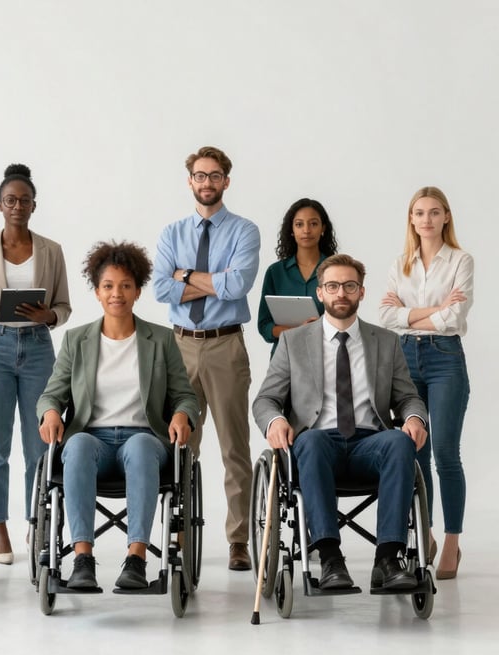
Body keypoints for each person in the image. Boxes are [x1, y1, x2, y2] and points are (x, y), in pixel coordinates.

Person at [253, 254, 428, 591]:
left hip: (370, 444)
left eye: (349, 286)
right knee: (312, 441)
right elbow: (265, 399)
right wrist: (275, 420)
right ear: (320, 293)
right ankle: (331, 558)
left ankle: (389, 558)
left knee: (399, 442)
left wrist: (414, 418)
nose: (341, 294)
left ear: (361, 292)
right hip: (318, 444)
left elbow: (407, 397)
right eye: (333, 286)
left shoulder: (386, 341)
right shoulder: (294, 341)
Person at [37, 241, 199, 589]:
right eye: (108, 286)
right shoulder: (76, 340)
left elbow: (185, 395)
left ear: (138, 291)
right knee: (76, 446)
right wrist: (50, 412)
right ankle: (82, 559)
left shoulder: (161, 339)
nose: (117, 294)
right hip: (91, 439)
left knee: (141, 446)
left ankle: (136, 560)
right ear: (96, 292)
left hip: (143, 440)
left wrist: (183, 415)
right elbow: (53, 393)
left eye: (126, 286)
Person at [153, 146, 260, 570]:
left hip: (224, 345)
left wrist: (184, 277)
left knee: (235, 448)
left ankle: (238, 541)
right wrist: (210, 281)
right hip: (179, 347)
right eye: (200, 175)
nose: (207, 183)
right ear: (190, 181)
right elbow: (160, 289)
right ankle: (178, 534)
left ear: (226, 182)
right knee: (180, 445)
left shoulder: (244, 231)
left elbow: (238, 287)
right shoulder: (171, 233)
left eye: (215, 176)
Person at [0, 163, 71, 564]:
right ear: (0, 205)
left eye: (24, 200)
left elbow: (63, 306)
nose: (17, 206)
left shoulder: (51, 251)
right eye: (11, 200)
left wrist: (48, 317)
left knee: (40, 444)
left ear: (34, 205)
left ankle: (36, 521)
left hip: (39, 347)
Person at [379, 186, 472, 580]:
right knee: (415, 451)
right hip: (404, 359)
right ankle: (426, 533)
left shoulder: (460, 260)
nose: (427, 220)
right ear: (411, 219)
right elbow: (385, 317)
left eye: (435, 212)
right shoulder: (401, 263)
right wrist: (435, 308)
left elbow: (455, 318)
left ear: (446, 217)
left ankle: (452, 540)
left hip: (445, 358)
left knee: (446, 453)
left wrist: (410, 314)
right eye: (420, 213)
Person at [257, 198, 338, 354]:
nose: (306, 230)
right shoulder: (275, 272)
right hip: (285, 356)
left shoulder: (336, 270)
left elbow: (347, 317)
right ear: (292, 230)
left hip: (328, 354)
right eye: (299, 224)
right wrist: (292, 333)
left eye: (313, 224)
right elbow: (264, 325)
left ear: (323, 229)